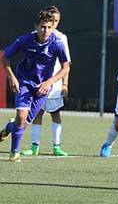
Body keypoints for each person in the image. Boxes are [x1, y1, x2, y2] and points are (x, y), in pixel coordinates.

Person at [0, 9, 70, 162]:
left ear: (53, 28)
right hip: (24, 82)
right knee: (21, 116)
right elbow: (5, 58)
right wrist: (12, 78)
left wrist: (50, 82)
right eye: (42, 27)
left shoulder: (57, 43)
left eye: (49, 27)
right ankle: (14, 153)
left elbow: (66, 67)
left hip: (43, 87)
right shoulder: (25, 40)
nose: (45, 30)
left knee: (23, 123)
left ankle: (8, 128)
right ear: (36, 26)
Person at [21, 6, 71, 157]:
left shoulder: (61, 38)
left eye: (56, 21)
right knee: (38, 113)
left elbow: (66, 64)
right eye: (52, 20)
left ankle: (56, 146)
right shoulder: (35, 36)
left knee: (55, 113)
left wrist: (64, 84)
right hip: (37, 81)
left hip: (54, 83)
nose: (54, 23)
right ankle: (34, 147)